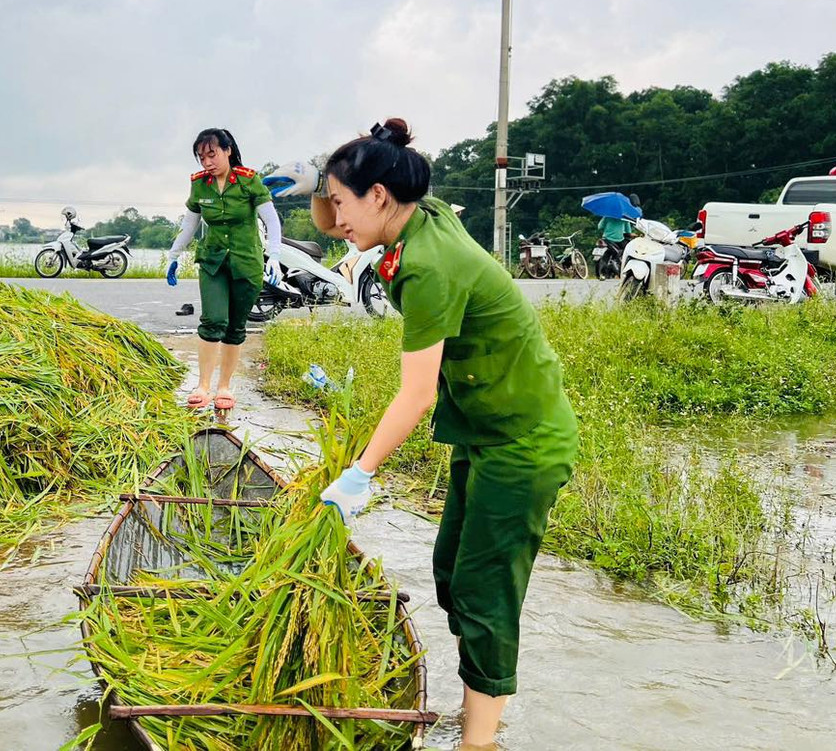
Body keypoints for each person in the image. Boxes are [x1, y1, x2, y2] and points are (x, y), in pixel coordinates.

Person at [304, 118, 578, 751]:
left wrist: (359, 474)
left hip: (523, 441)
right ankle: (479, 707)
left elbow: (416, 393)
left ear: (378, 196)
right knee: (452, 571)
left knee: (485, 590)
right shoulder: (419, 216)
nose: (334, 218)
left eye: (340, 202)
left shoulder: (429, 266)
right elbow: (359, 217)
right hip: (485, 429)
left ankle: (478, 742)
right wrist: (333, 190)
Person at [165, 129, 283, 412]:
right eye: (201, 157)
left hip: (246, 262)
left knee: (235, 326)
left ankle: (224, 387)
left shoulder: (248, 180)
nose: (207, 162)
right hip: (213, 262)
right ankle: (203, 385)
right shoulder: (199, 185)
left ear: (228, 150)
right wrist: (174, 254)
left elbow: (271, 220)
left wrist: (275, 256)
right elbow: (190, 224)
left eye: (212, 154)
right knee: (213, 320)